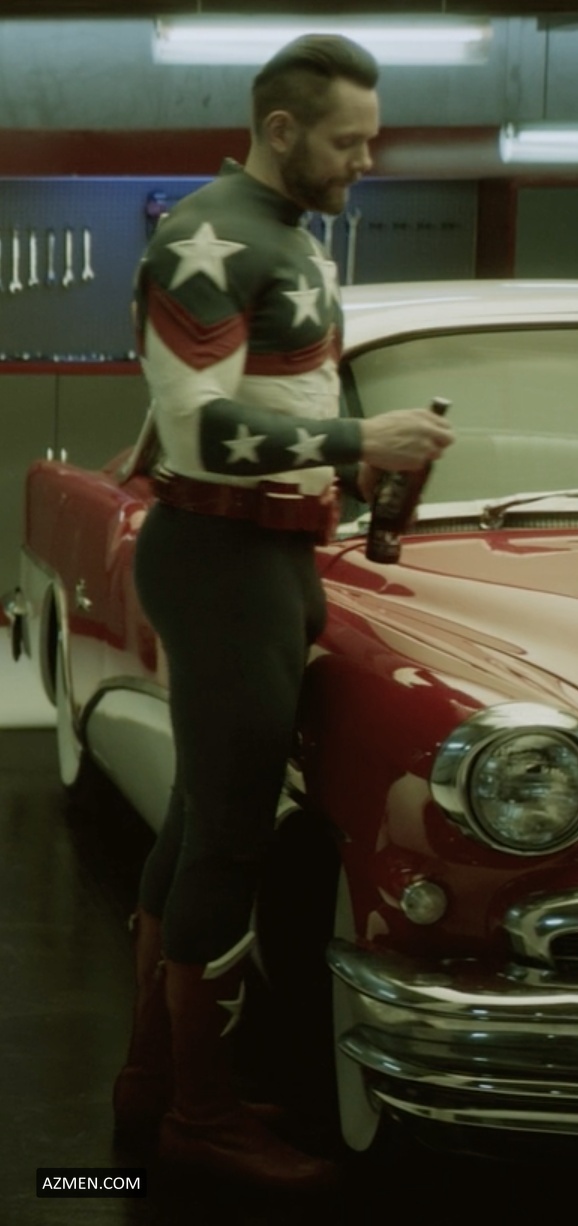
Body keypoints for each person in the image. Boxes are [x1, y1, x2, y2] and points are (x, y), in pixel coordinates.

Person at [113, 33, 454, 1190]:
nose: (366, 160)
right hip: (222, 557)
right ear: (281, 130)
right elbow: (197, 430)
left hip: (261, 556)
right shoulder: (204, 237)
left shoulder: (280, 235)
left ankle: (158, 1081)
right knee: (228, 836)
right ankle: (196, 1115)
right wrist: (361, 435)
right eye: (348, 142)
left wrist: (343, 464)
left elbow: (239, 401)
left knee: (199, 820)